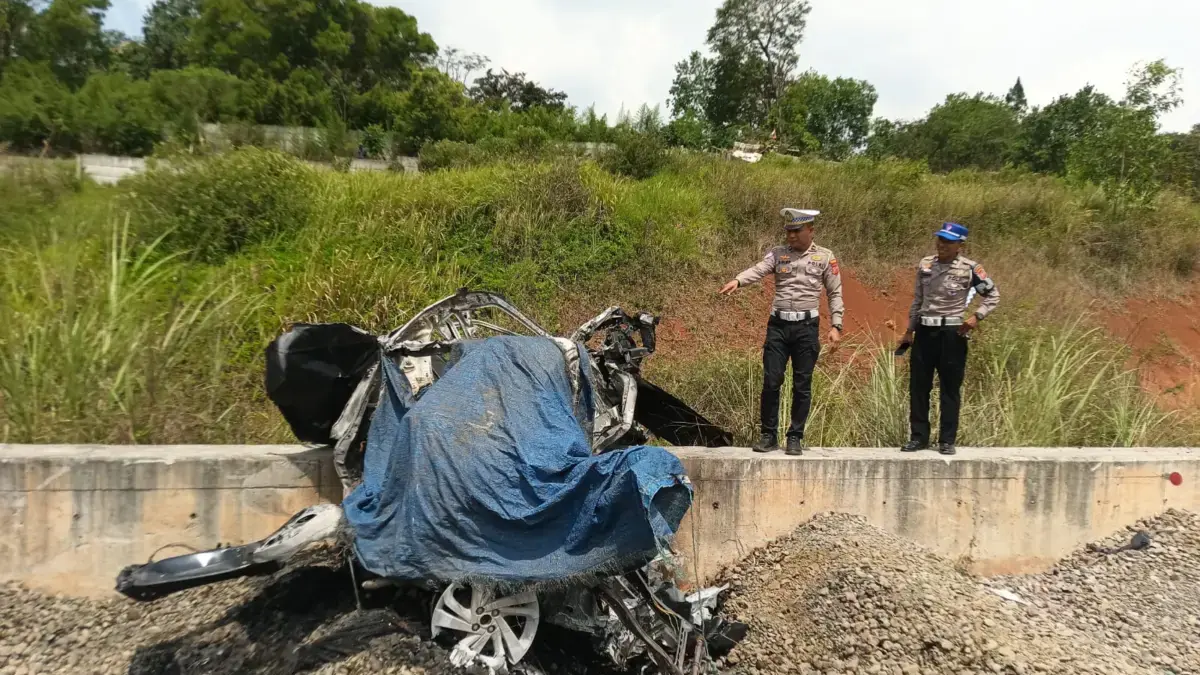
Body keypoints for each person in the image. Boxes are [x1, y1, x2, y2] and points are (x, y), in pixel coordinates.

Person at [719, 208, 844, 455]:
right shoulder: (778, 254)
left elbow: (835, 292)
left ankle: (795, 436)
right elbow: (758, 268)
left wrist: (836, 325)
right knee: (771, 380)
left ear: (810, 231)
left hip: (807, 328)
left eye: (796, 231)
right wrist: (738, 280)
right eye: (788, 231)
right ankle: (768, 435)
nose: (791, 236)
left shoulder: (825, 257)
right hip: (778, 326)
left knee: (802, 384)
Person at [898, 221, 1000, 456]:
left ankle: (947, 439)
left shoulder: (971, 268)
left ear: (959, 245)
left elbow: (993, 295)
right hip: (925, 331)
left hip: (952, 333)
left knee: (949, 388)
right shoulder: (925, 265)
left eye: (948, 241)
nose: (942, 245)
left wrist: (976, 317)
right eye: (940, 240)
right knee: (919, 386)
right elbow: (918, 300)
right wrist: (909, 331)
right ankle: (918, 437)